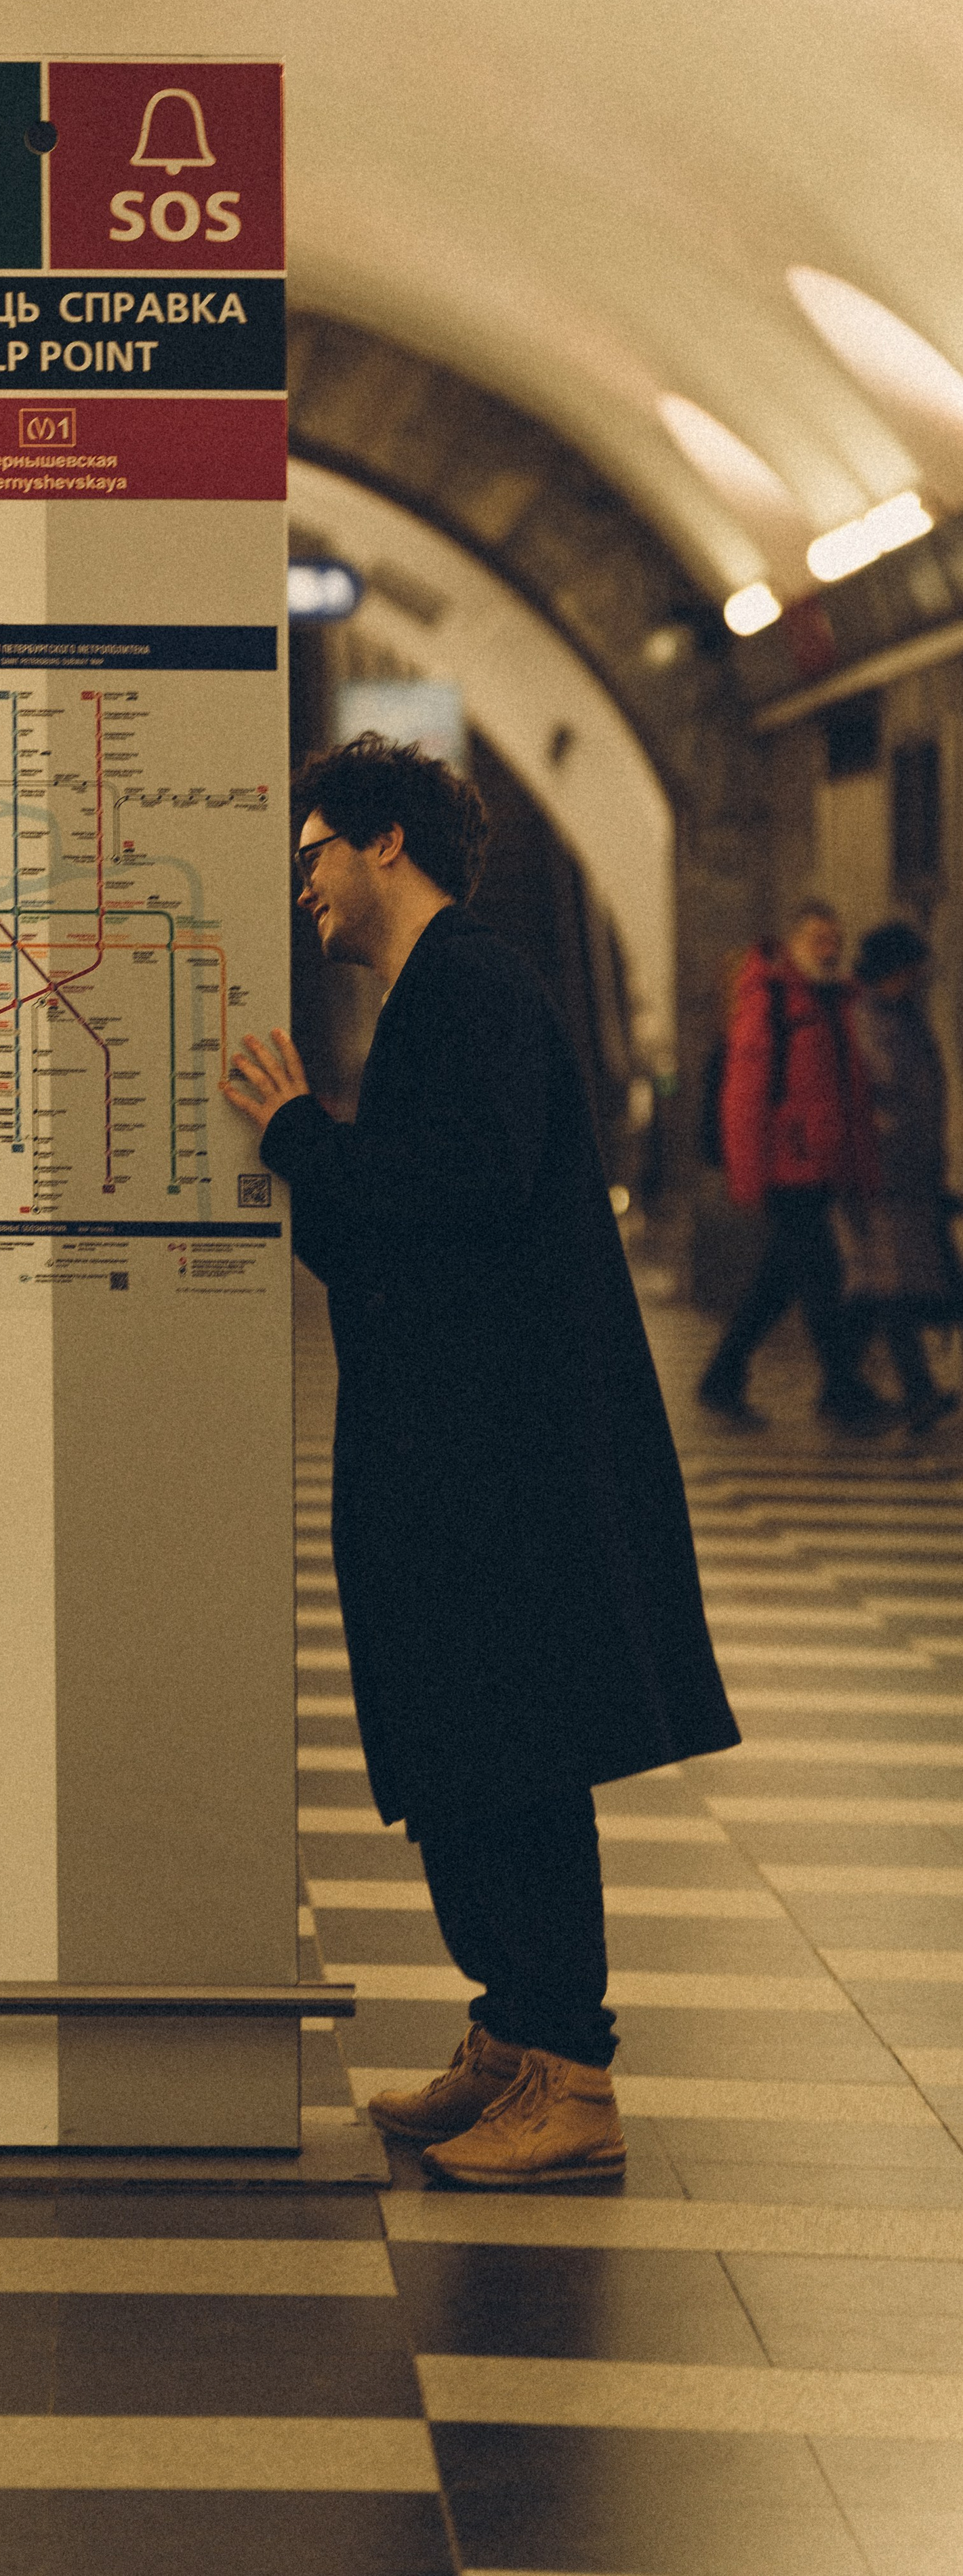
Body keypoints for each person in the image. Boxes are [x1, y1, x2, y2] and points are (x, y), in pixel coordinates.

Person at [223, 734, 737, 2188]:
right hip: (459, 1453)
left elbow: (452, 1191)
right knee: (464, 1749)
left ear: (386, 842)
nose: (303, 883)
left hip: (497, 1463)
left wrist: (292, 1139)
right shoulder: (437, 996)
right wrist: (319, 1152)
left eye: (313, 847)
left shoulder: (475, 988)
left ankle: (569, 2077)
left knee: (509, 1751)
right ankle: (510, 2037)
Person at [697, 901, 890, 1431]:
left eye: (835, 939)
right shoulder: (772, 998)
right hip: (786, 1168)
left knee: (779, 1280)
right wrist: (748, 1174)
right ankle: (842, 1391)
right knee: (822, 1275)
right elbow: (746, 1094)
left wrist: (861, 1168)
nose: (828, 949)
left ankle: (722, 1376)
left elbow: (850, 1097)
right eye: (818, 939)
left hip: (822, 1166)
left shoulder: (839, 1000)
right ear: (794, 942)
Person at [843, 920, 960, 1434]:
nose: (914, 979)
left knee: (891, 1287)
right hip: (886, 1176)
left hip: (915, 1176)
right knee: (892, 1287)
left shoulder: (907, 1017)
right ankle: (915, 1392)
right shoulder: (867, 1019)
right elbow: (878, 1093)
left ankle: (843, 1383)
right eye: (908, 970)